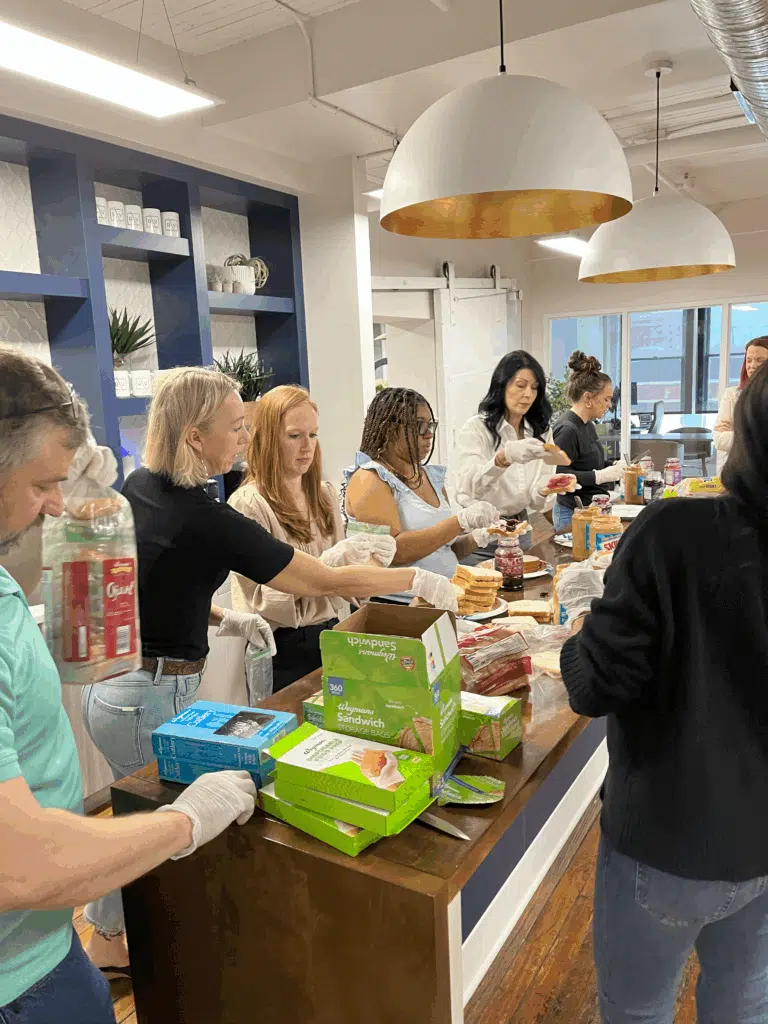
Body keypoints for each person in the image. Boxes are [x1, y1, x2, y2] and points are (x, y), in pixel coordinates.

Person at [80, 367, 456, 970]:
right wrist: (412, 578)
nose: (242, 439)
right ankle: (133, 951)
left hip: (118, 687)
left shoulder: (141, 486)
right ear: (194, 437)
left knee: (135, 816)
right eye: (235, 428)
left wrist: (218, 617)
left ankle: (113, 941)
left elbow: (156, 581)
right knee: (148, 829)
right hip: (149, 690)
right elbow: (322, 580)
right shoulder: (208, 514)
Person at [0, 347, 260, 1024]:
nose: (55, 503)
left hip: (44, 945)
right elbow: (19, 861)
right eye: (41, 485)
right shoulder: (187, 506)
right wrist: (183, 820)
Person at [557, 362, 768, 1023]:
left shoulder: (672, 533)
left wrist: (579, 628)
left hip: (668, 841)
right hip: (762, 845)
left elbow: (596, 685)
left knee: (637, 1010)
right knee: (743, 1007)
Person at [229, 385, 398, 692]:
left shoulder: (324, 494)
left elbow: (345, 586)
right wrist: (324, 570)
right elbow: (261, 599)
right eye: (294, 436)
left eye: (313, 435)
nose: (307, 447)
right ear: (268, 439)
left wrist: (368, 564)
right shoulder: (249, 504)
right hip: (283, 647)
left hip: (334, 633)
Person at [343, 387, 502, 596]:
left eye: (431, 425)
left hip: (446, 598)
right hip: (402, 608)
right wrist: (458, 522)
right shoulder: (370, 479)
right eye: (419, 426)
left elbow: (445, 549)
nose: (428, 434)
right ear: (388, 429)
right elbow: (393, 552)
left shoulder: (430, 477)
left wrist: (480, 536)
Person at [454, 351, 567, 548]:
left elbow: (536, 503)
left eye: (534, 388)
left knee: (528, 578)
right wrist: (502, 459)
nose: (528, 394)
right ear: (502, 385)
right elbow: (471, 488)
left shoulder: (540, 430)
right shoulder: (476, 429)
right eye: (521, 386)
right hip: (481, 532)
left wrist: (543, 490)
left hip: (520, 527)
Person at [551, 351, 623, 533]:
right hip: (574, 513)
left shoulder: (587, 425)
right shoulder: (567, 429)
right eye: (606, 399)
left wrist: (613, 466)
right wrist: (600, 476)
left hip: (592, 508)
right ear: (588, 398)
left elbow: (588, 462)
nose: (609, 405)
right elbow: (557, 478)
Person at [714, 335, 768, 474]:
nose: (752, 365)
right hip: (737, 475)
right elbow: (719, 440)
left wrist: (737, 431)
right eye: (748, 360)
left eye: (760, 360)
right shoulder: (732, 394)